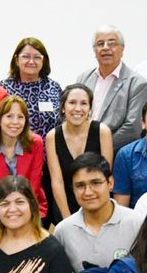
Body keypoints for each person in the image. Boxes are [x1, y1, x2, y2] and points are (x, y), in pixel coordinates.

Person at [46, 84, 115, 219]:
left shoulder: (102, 132)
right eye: (72, 103)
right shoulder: (52, 136)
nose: (78, 108)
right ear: (63, 107)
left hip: (98, 203)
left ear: (90, 108)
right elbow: (57, 182)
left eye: (84, 103)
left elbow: (104, 178)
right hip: (65, 204)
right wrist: (68, 220)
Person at [77, 25, 147, 146]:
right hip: (80, 149)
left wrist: (99, 146)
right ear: (94, 51)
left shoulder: (137, 84)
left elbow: (132, 128)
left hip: (114, 152)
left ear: (122, 49)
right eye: (100, 44)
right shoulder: (83, 79)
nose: (105, 48)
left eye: (111, 43)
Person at [0, 95, 48, 220]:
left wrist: (22, 213)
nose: (15, 122)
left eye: (20, 117)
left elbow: (34, 184)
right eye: (9, 116)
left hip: (30, 206)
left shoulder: (36, 142)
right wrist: (8, 213)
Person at [0, 38, 63, 139]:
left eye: (37, 57)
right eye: (26, 57)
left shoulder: (54, 87)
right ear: (16, 60)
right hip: (13, 153)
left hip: (49, 152)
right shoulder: (3, 88)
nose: (31, 61)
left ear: (43, 61)